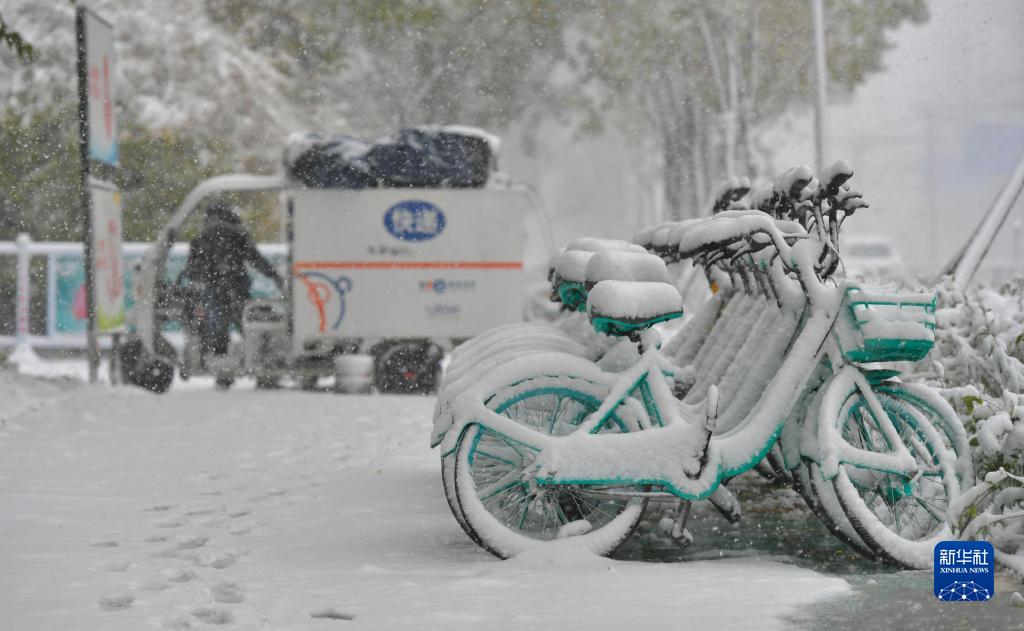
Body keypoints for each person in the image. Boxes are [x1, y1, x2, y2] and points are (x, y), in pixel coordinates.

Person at [178, 202, 284, 358]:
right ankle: (261, 362)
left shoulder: (201, 237)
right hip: (238, 286)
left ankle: (221, 366)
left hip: (214, 289)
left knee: (217, 327)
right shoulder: (237, 234)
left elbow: (193, 269)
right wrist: (274, 275)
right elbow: (255, 258)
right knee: (248, 324)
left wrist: (200, 278)